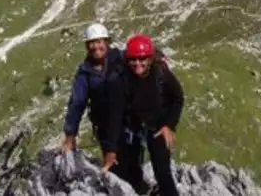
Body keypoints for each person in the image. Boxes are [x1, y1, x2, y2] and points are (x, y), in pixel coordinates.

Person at [102, 34, 184, 196]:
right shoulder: (122, 79)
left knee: (162, 171)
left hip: (158, 127)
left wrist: (169, 125)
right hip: (133, 127)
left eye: (142, 59)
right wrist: (111, 150)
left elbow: (177, 99)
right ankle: (141, 190)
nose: (137, 64)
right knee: (130, 167)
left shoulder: (162, 74)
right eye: (133, 60)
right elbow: (116, 115)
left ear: (151, 59)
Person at [61, 22, 124, 159]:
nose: (95, 47)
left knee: (132, 166)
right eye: (91, 43)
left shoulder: (121, 59)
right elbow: (77, 102)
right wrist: (70, 136)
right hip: (105, 126)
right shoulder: (85, 72)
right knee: (114, 168)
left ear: (107, 42)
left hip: (128, 123)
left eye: (99, 41)